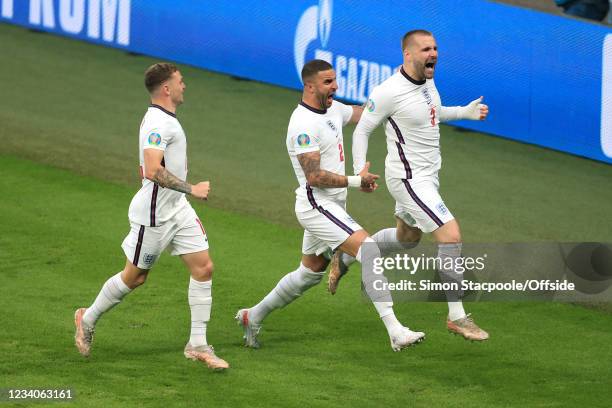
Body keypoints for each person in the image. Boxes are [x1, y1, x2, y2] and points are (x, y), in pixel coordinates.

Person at [235, 59, 425, 352]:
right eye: (328, 82)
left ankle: (253, 315)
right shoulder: (302, 125)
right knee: (370, 250)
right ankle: (395, 331)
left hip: (333, 206)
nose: (335, 86)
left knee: (309, 274)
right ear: (309, 86)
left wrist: (397, 101)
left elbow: (365, 115)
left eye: (335, 80)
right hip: (316, 205)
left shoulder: (333, 108)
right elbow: (314, 177)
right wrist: (356, 180)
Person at [330, 30, 490, 341]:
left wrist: (464, 113)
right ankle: (457, 316)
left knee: (407, 239)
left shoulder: (428, 81)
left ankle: (347, 255)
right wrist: (359, 170)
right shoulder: (388, 91)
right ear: (408, 54)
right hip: (409, 180)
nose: (434, 54)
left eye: (435, 48)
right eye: (426, 49)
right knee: (450, 235)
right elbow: (362, 130)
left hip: (428, 177)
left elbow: (431, 114)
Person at [74, 63, 229, 370]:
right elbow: (152, 169)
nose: (185, 86)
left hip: (177, 209)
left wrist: (185, 195)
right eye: (180, 82)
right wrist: (192, 188)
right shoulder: (159, 124)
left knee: (204, 268)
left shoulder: (166, 119)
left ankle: (197, 344)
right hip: (154, 215)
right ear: (167, 88)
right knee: (135, 277)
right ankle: (87, 317)